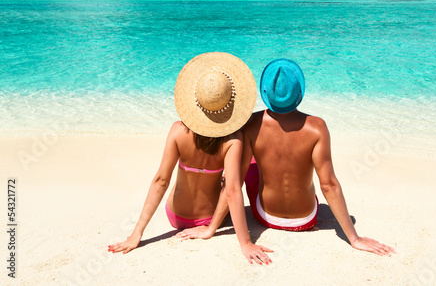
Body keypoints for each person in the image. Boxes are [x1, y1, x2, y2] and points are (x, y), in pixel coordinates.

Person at [181, 58, 395, 257]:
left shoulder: (251, 125)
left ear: (265, 92)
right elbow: (328, 185)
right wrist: (354, 238)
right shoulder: (317, 127)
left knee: (246, 164)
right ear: (299, 93)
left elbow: (234, 185)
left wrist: (211, 229)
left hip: (264, 216)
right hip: (306, 220)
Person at [108, 52, 272, 265]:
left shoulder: (177, 131)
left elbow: (161, 181)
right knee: (248, 165)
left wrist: (136, 234)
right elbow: (232, 190)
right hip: (212, 218)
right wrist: (245, 243)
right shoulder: (232, 140)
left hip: (175, 217)